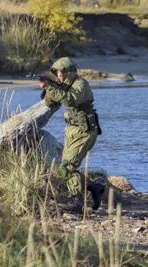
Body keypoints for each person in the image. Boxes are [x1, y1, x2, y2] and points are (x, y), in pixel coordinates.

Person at [39, 57, 104, 213]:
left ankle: (78, 203)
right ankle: (94, 187)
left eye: (61, 73)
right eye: (56, 73)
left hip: (85, 131)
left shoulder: (80, 85)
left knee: (66, 168)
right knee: (66, 167)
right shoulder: (63, 85)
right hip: (71, 131)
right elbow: (49, 102)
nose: (59, 76)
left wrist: (53, 88)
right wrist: (48, 87)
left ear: (68, 72)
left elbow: (70, 101)